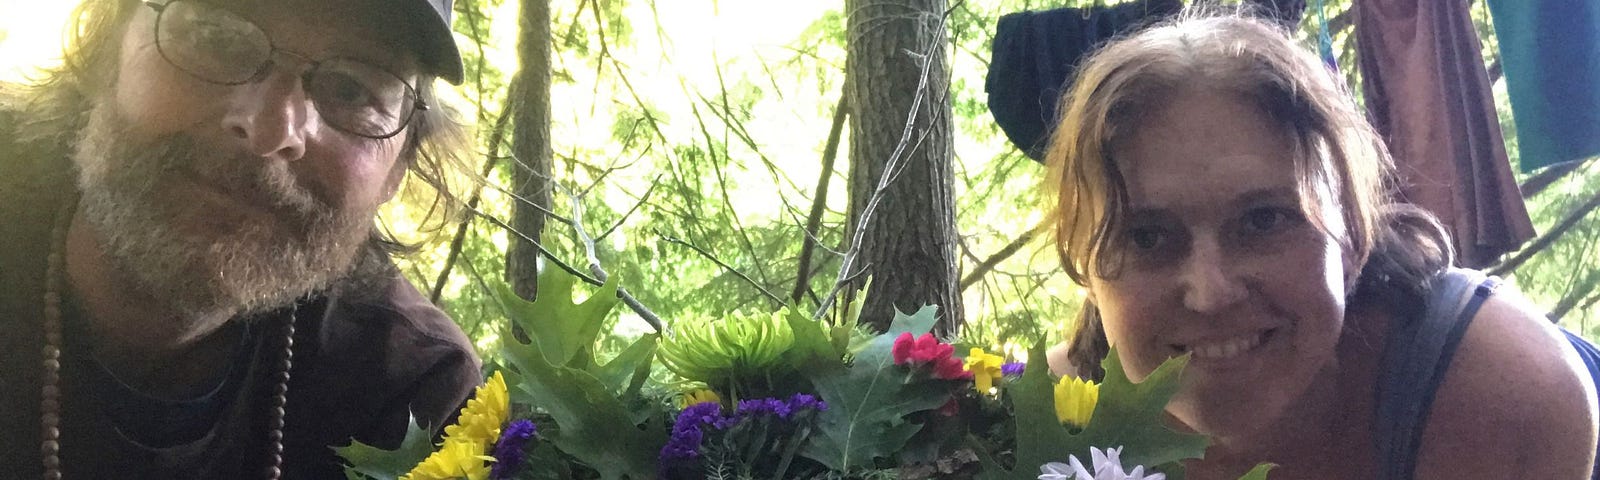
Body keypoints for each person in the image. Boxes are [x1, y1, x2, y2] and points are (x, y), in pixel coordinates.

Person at [1041, 11, 1600, 480]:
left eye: (1262, 221)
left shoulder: (1506, 399)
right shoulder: (1033, 433)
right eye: (1147, 237)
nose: (1210, 294)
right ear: (1081, 261)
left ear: (1354, 234)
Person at [0, 0, 484, 477]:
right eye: (217, 39)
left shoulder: (411, 393)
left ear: (397, 170)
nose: (269, 131)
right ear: (105, 51)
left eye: (351, 91)